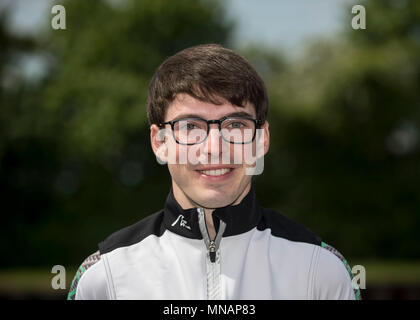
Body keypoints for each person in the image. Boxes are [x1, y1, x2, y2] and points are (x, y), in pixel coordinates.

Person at [67, 44, 361, 300]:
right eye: (190, 127)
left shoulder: (320, 270)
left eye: (235, 125)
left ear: (263, 139)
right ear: (159, 142)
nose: (214, 148)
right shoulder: (104, 277)